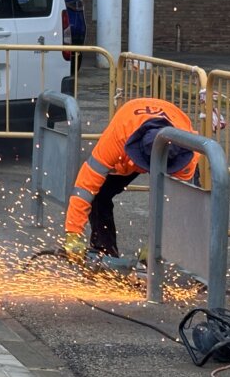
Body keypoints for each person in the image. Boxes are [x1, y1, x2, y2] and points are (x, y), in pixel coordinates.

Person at [63, 97, 199, 260]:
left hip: (171, 152)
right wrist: (73, 232)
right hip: (129, 137)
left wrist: (157, 246)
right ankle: (105, 255)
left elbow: (177, 207)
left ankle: (199, 269)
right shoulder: (117, 137)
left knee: (194, 209)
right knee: (98, 195)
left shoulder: (186, 155)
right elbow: (85, 186)